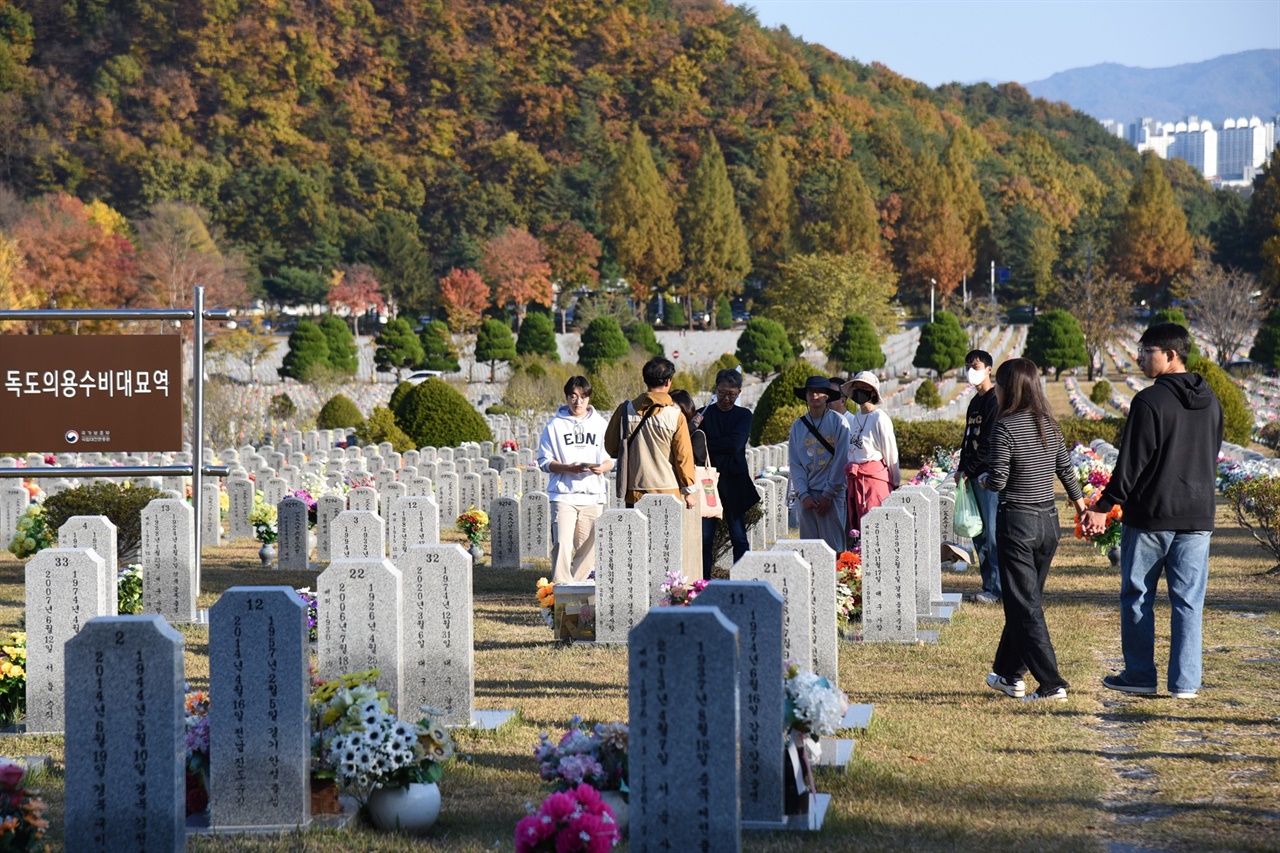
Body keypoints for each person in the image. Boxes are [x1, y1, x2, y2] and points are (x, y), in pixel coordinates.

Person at [1081, 323, 1223, 700]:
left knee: (1137, 594)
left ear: (1171, 355)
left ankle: (1140, 675)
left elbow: (1131, 463)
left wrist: (1105, 505)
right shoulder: (1212, 400)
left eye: (1147, 351)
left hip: (1151, 515)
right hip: (1198, 515)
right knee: (1189, 601)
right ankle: (1185, 683)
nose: (1140, 357)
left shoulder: (1150, 401)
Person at [980, 358, 1088, 702]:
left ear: (1008, 388)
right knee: (1023, 600)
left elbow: (997, 480)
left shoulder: (1005, 427)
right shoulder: (1050, 425)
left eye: (997, 384)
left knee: (1025, 605)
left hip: (1017, 523)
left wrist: (981, 478)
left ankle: (1051, 683)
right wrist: (1082, 505)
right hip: (1048, 525)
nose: (994, 389)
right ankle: (1009, 675)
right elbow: (1066, 472)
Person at [537, 376, 613, 583]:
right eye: (573, 396)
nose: (578, 401)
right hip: (563, 495)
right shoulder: (554, 426)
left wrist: (602, 468)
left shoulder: (600, 424)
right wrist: (567, 468)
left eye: (582, 396)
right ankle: (561, 592)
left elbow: (610, 459)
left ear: (589, 398)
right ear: (567, 397)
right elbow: (544, 461)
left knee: (589, 548)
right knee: (561, 543)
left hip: (592, 496)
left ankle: (581, 590)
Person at [689, 370, 759, 579]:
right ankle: (703, 581)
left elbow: (735, 443)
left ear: (739, 392)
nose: (727, 398)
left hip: (734, 482)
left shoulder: (743, 415)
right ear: (716, 390)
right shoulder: (703, 414)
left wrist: (708, 443)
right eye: (722, 393)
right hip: (708, 482)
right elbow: (692, 444)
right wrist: (693, 427)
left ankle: (742, 578)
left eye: (732, 394)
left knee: (739, 537)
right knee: (705, 537)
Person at [603, 356, 697, 511]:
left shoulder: (625, 410)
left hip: (635, 490)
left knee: (637, 535)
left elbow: (611, 447)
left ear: (645, 380)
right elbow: (683, 457)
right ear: (668, 382)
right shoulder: (675, 417)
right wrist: (688, 491)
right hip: (668, 490)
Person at [788, 376, 852, 553]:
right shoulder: (798, 426)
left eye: (819, 391)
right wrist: (803, 494)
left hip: (831, 495)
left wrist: (828, 494)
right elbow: (796, 463)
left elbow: (842, 461)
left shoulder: (840, 423)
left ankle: (836, 580)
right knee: (809, 549)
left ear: (827, 396)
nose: (814, 395)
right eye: (810, 391)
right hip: (807, 496)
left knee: (834, 547)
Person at [959, 350, 1002, 604]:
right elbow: (968, 439)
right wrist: (960, 467)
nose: (970, 371)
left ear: (988, 369)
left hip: (987, 475)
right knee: (980, 534)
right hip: (972, 476)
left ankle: (998, 589)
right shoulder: (975, 401)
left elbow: (988, 442)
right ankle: (989, 585)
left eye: (975, 366)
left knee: (993, 533)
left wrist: (969, 469)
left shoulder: (994, 400)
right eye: (967, 367)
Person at [840, 371, 900, 534]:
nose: (859, 390)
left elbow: (890, 450)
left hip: (874, 479)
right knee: (859, 524)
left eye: (864, 387)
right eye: (857, 387)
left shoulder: (880, 417)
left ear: (872, 392)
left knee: (875, 525)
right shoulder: (857, 417)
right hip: (856, 477)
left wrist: (895, 480)